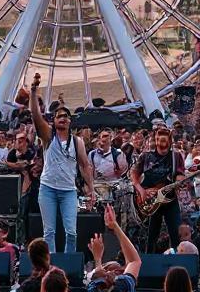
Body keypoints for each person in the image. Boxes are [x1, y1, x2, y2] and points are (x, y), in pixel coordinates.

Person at [29, 74, 94, 254]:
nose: (63, 118)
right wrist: (33, 92)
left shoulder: (77, 142)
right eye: (59, 116)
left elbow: (85, 166)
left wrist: (91, 189)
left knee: (71, 232)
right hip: (48, 188)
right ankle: (50, 268)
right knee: (49, 232)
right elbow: (35, 116)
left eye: (66, 116)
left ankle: (69, 267)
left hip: (68, 191)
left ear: (70, 121)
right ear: (54, 121)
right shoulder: (48, 137)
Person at [132, 127, 184, 253]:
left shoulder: (176, 156)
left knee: (176, 233)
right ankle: (149, 262)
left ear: (170, 142)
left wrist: (180, 180)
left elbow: (179, 174)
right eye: (158, 141)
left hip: (169, 199)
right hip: (150, 199)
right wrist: (141, 191)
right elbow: (134, 175)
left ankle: (177, 261)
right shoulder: (146, 156)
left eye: (164, 141)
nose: (160, 145)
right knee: (151, 234)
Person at [84, 204, 142, 292]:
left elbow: (97, 281)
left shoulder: (93, 288)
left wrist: (98, 259)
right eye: (108, 271)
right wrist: (115, 225)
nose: (109, 273)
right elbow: (134, 261)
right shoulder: (122, 286)